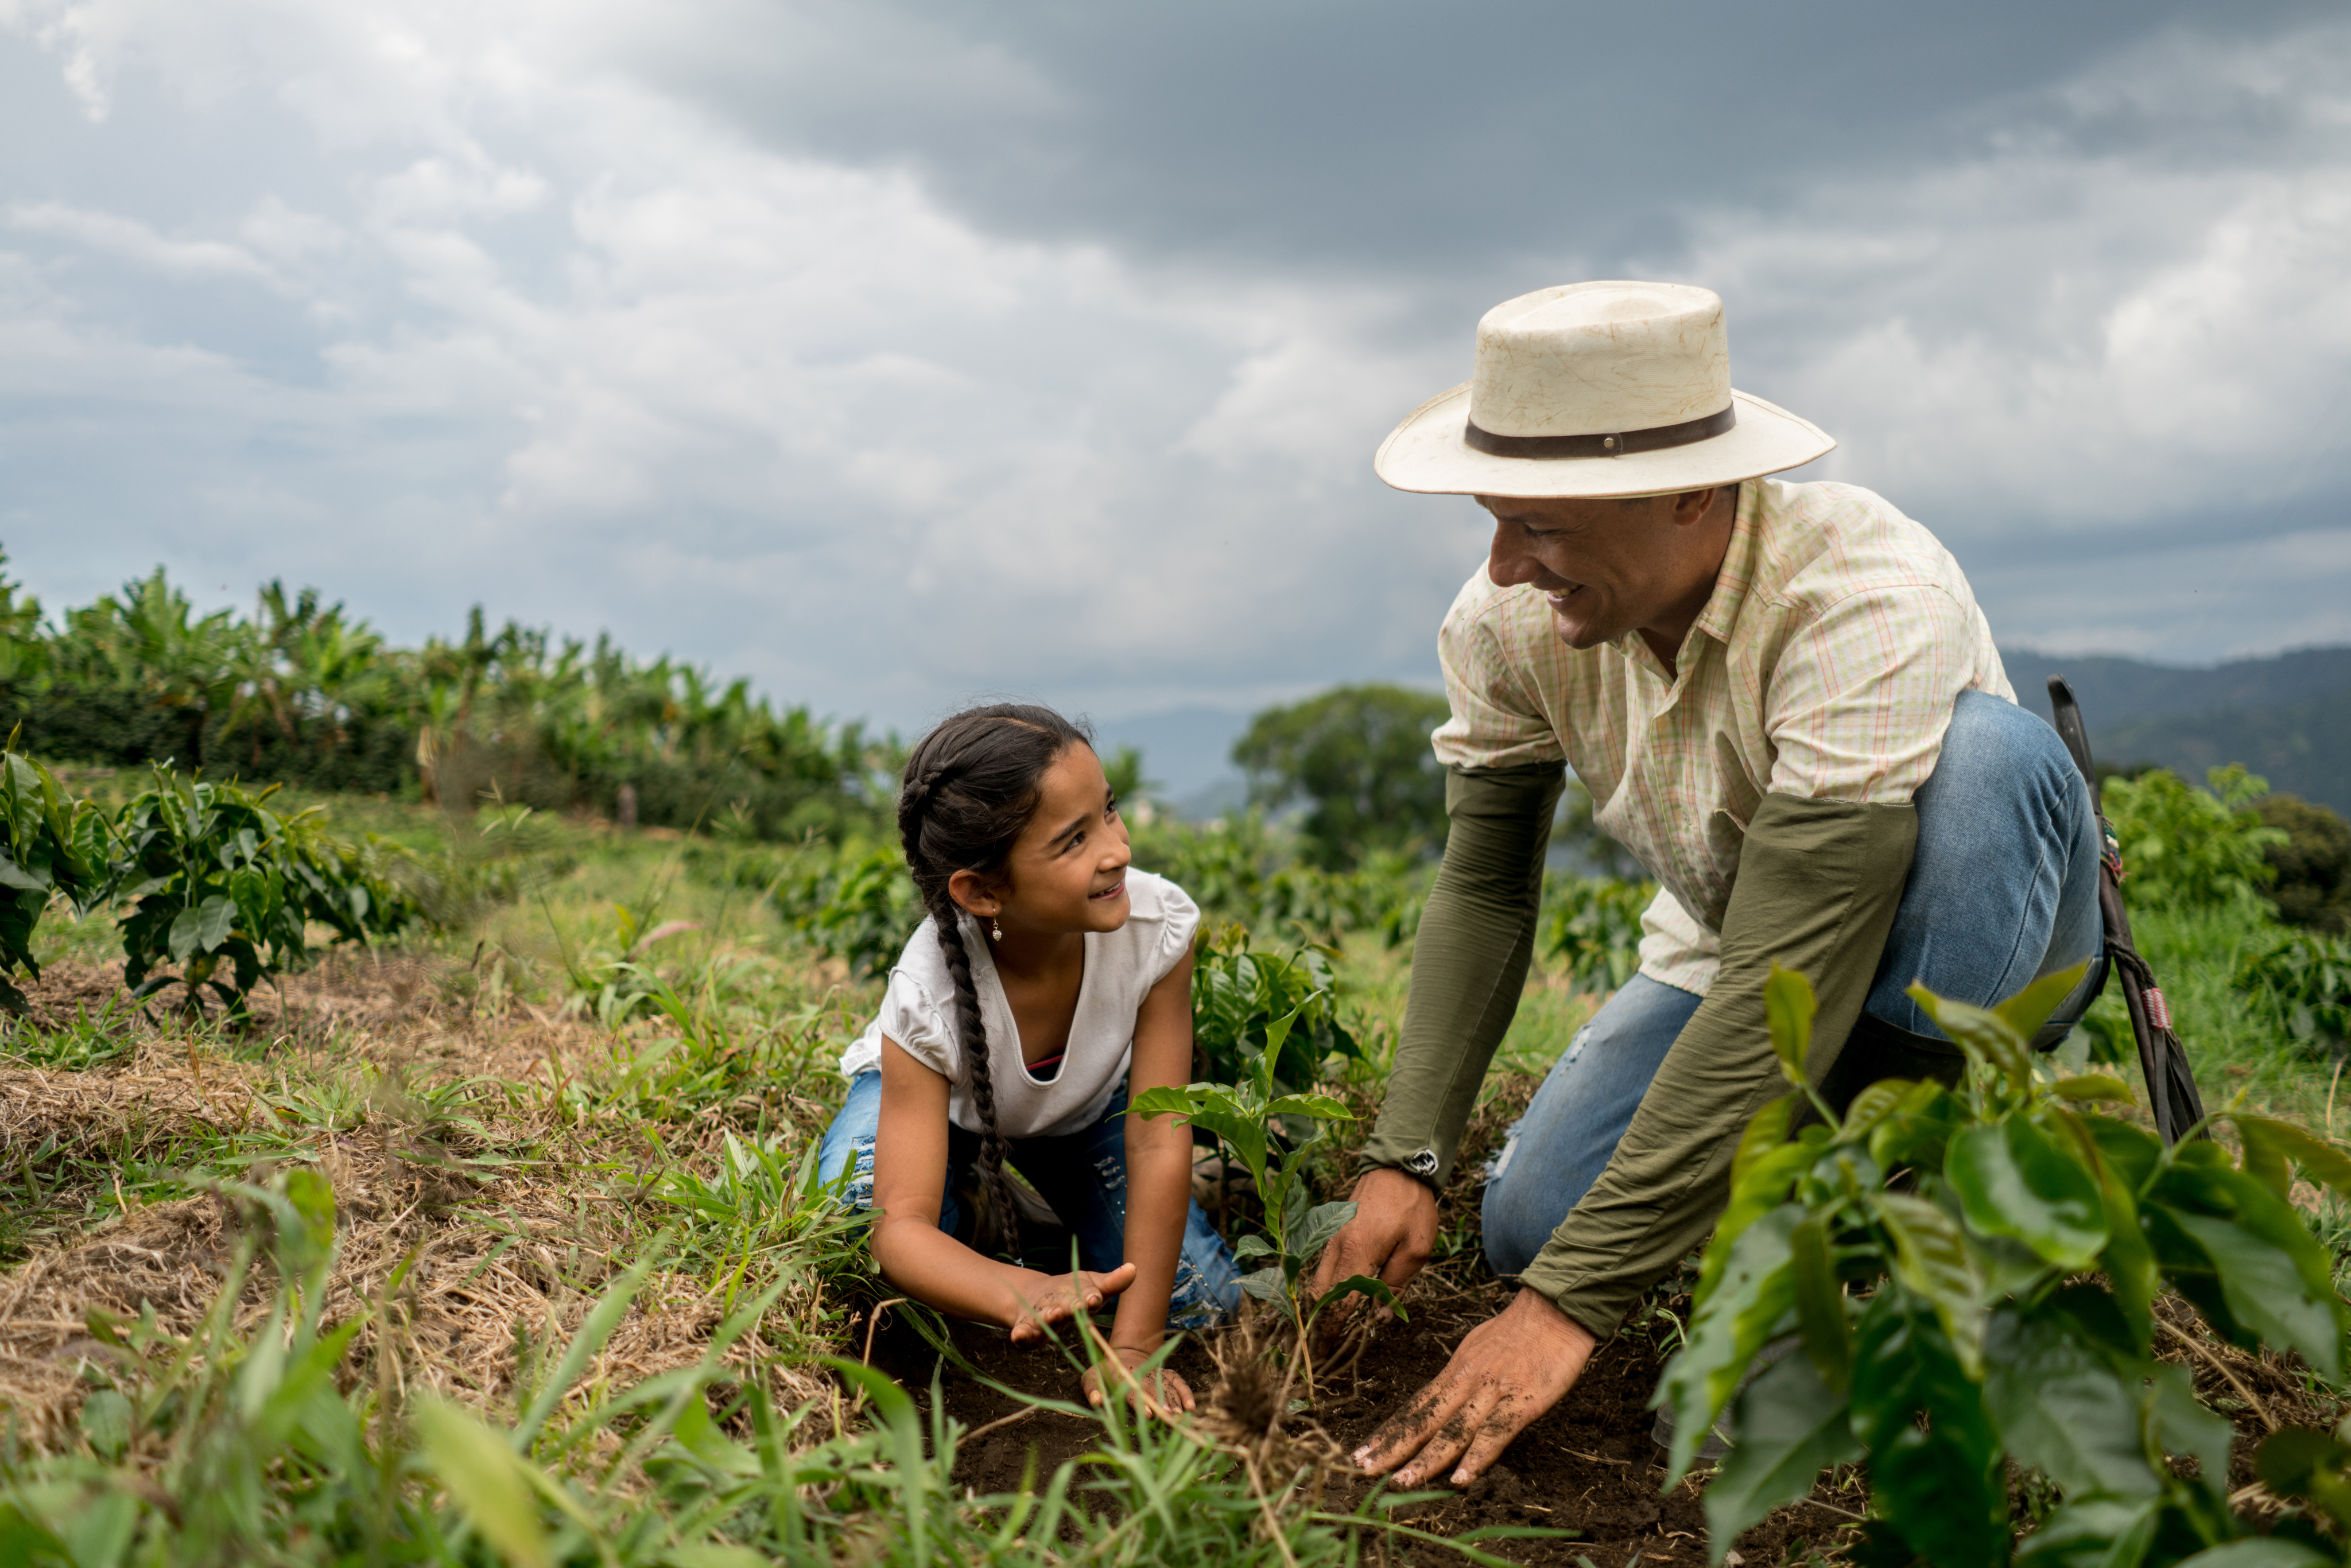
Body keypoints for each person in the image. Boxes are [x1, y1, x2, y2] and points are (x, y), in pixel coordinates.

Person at [1309, 281, 2105, 1487]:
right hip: (1735, 943)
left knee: (1990, 758)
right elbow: (1481, 890)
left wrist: (1562, 1312)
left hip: (1967, 949)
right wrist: (1403, 1152)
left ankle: (1872, 1217)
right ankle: (1786, 1197)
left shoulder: (1860, 599)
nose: (1504, 562)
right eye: (1493, 519)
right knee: (1529, 1221)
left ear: (1690, 493)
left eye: (1540, 525)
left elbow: (1799, 972)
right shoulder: (1508, 623)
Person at [816, 703, 1241, 1412]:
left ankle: (1037, 1216)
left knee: (1206, 1303)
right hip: (945, 1114)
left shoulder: (1156, 929)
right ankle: (984, 1212)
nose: (1117, 850)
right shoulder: (929, 994)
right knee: (857, 1219)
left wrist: (1133, 1351)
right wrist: (1018, 1292)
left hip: (1083, 1112)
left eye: (1108, 812)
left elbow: (1156, 1140)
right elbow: (900, 1224)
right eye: (1073, 840)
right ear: (983, 892)